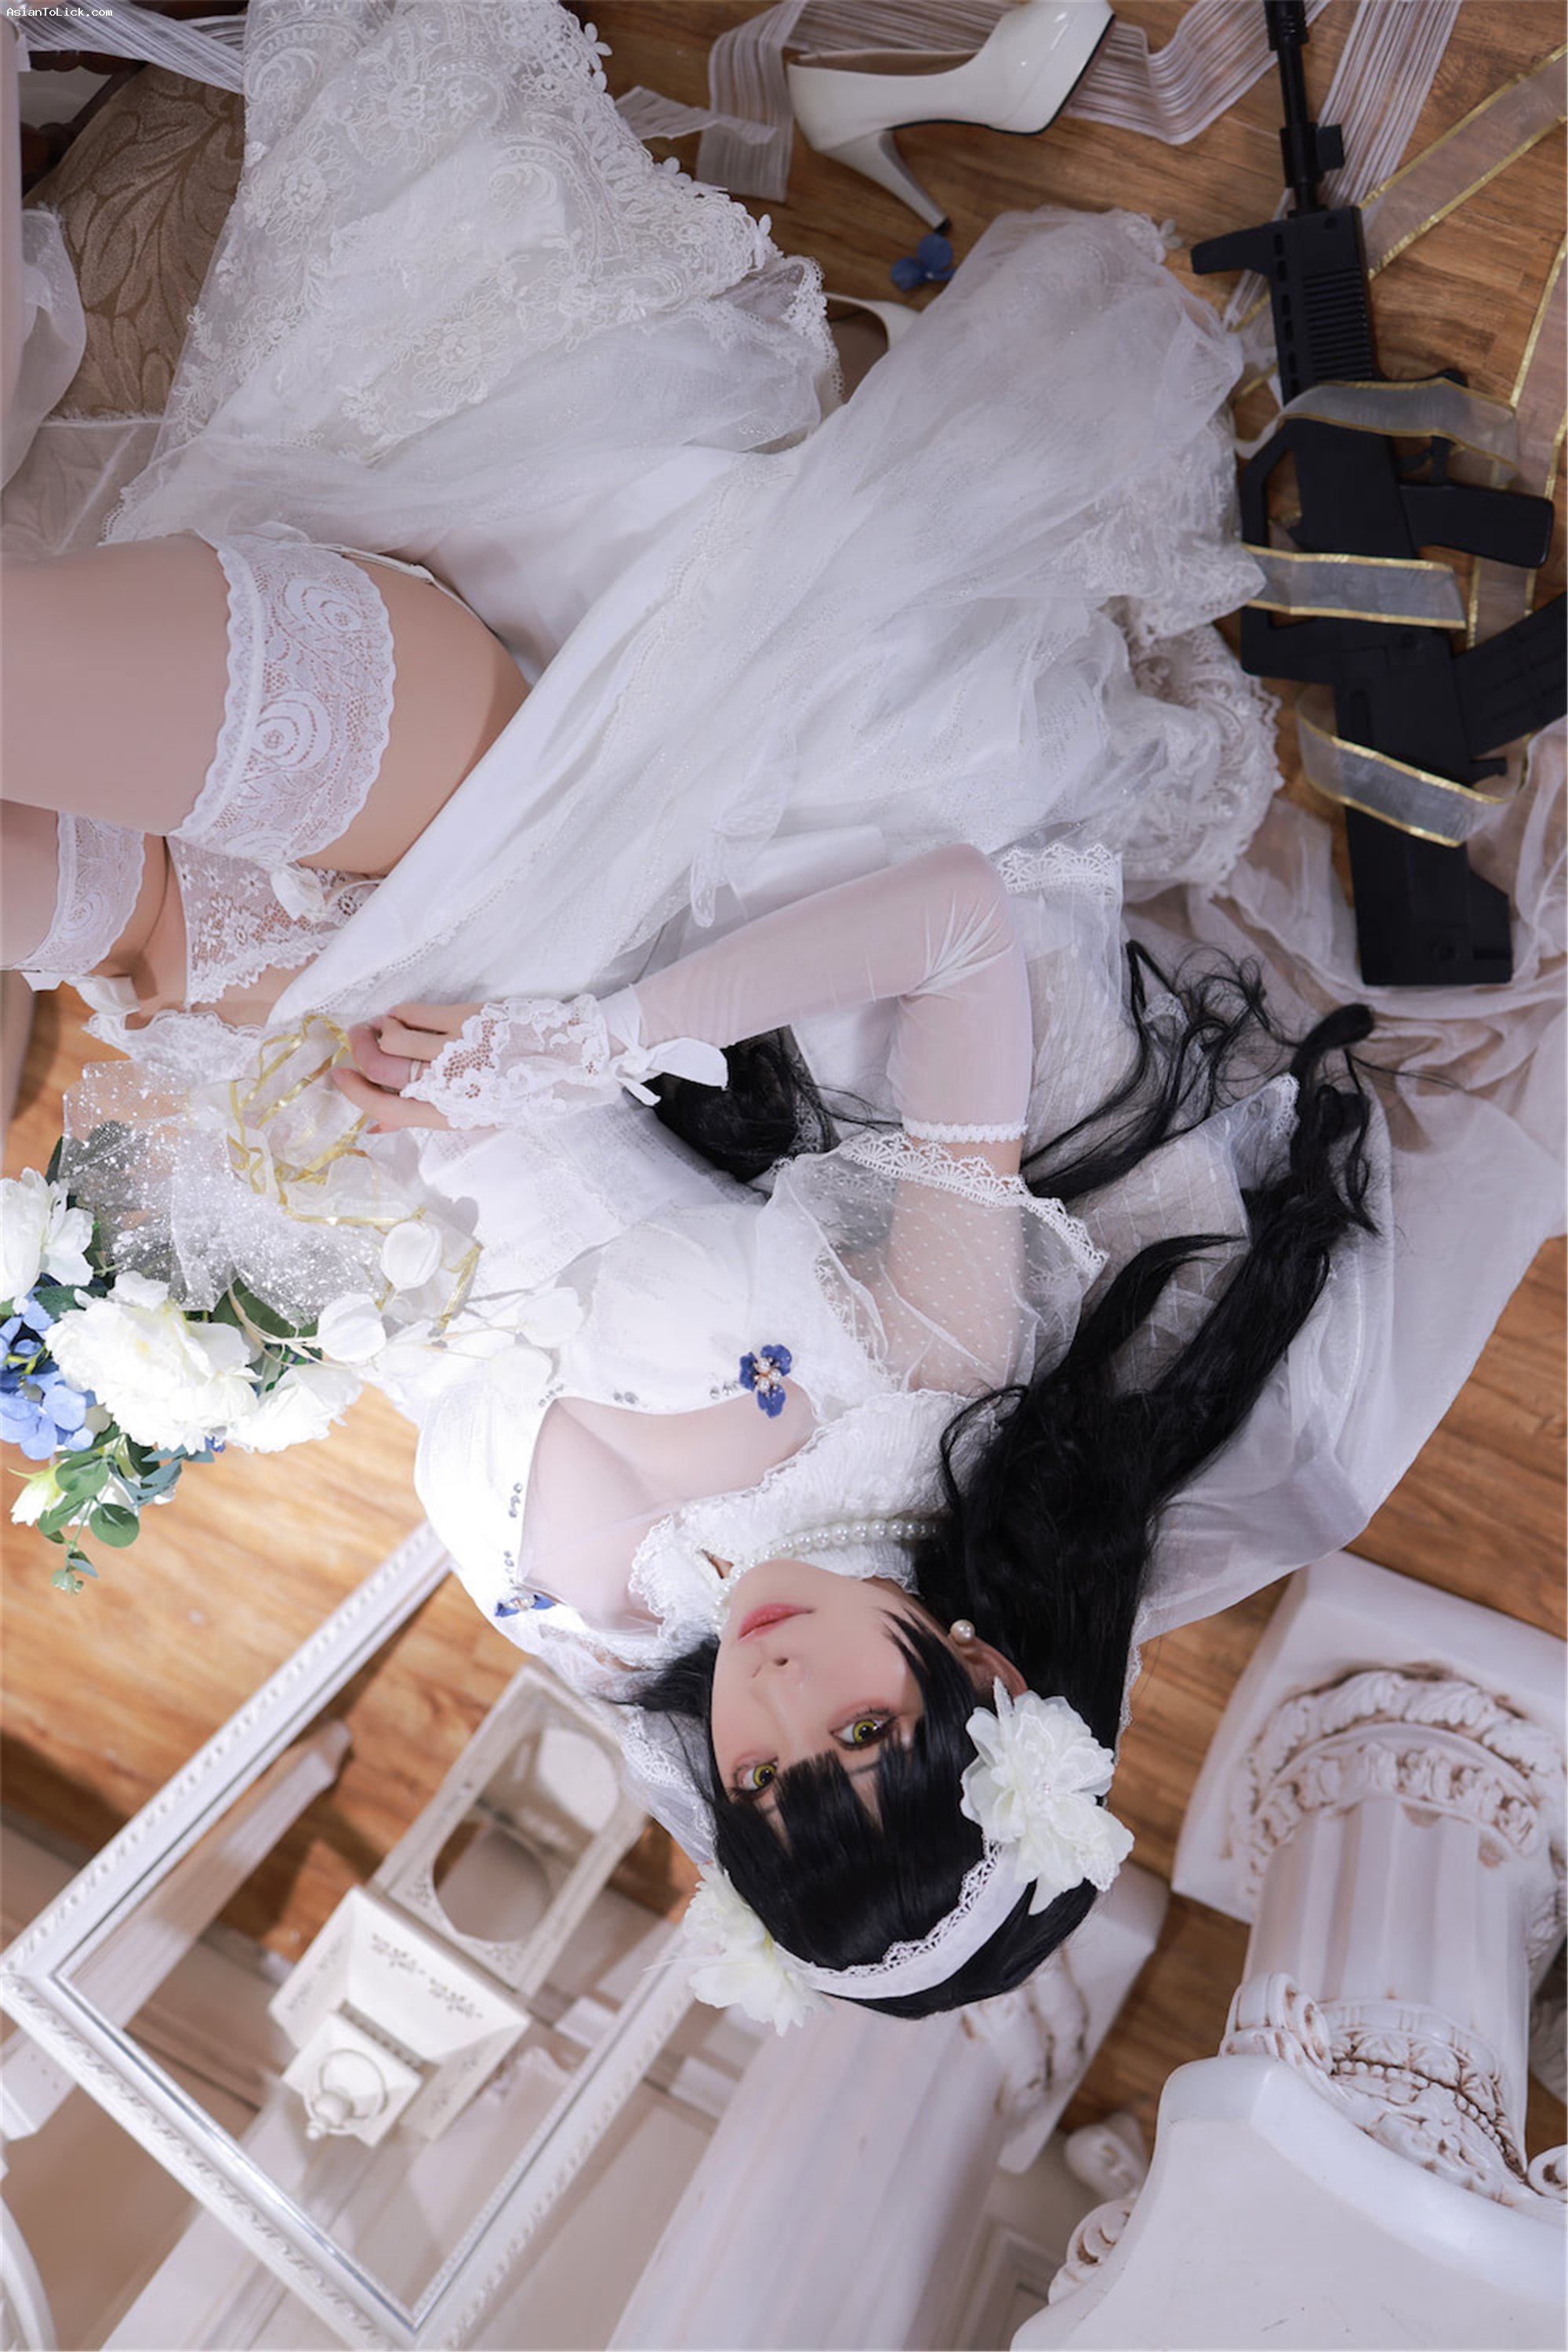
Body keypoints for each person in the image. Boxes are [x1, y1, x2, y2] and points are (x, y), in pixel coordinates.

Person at [2, 2, 1560, 2025]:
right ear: (980, 1677)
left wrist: (225, 1321)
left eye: (763, 1782)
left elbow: (425, 1303)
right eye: (863, 1732)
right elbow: (962, 926)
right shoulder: (921, 1373)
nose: (779, 1703)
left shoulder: (590, 1627)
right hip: (475, 847)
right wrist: (588, 1043)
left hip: (270, 1005)